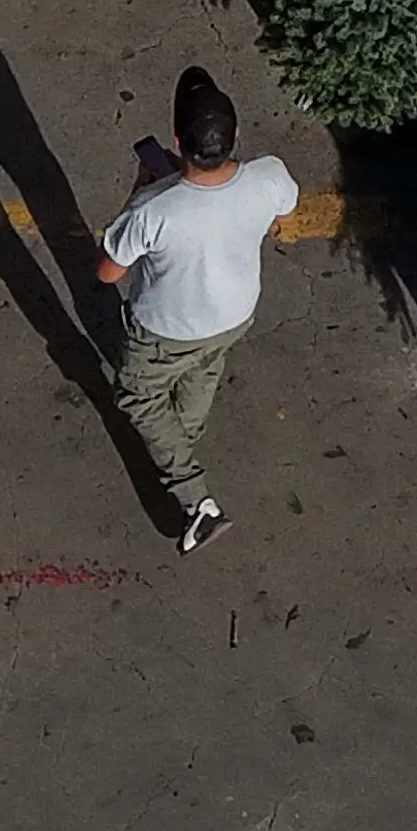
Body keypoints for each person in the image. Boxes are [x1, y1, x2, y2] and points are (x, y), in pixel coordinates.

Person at [95, 69, 299, 552]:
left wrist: (141, 188)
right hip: (234, 314)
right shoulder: (269, 175)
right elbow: (282, 219)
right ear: (232, 139)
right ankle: (176, 444)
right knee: (202, 371)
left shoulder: (153, 208)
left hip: (166, 328)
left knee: (138, 397)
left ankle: (195, 502)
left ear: (176, 141)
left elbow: (108, 273)